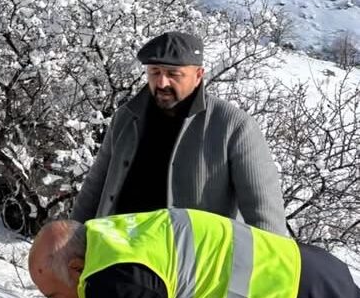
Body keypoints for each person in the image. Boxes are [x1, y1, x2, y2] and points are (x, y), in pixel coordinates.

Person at [28, 209, 360, 298]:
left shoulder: (122, 284)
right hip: (311, 278)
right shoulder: (106, 242)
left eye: (52, 296)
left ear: (76, 269)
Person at [71, 30, 287, 233]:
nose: (162, 82)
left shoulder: (233, 126)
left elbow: (264, 216)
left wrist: (267, 268)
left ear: (198, 75)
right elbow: (94, 188)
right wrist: (71, 243)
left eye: (174, 74)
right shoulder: (127, 118)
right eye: (155, 72)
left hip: (193, 267)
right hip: (117, 255)